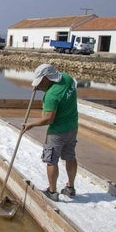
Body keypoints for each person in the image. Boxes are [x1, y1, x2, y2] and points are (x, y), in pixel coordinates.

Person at [23, 64, 78, 202]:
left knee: (51, 160)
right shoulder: (68, 79)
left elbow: (48, 119)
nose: (39, 83)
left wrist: (31, 124)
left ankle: (52, 191)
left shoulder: (51, 96)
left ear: (47, 77)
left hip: (57, 132)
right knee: (70, 156)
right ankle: (70, 188)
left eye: (41, 81)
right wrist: (42, 87)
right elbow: (60, 91)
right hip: (72, 127)